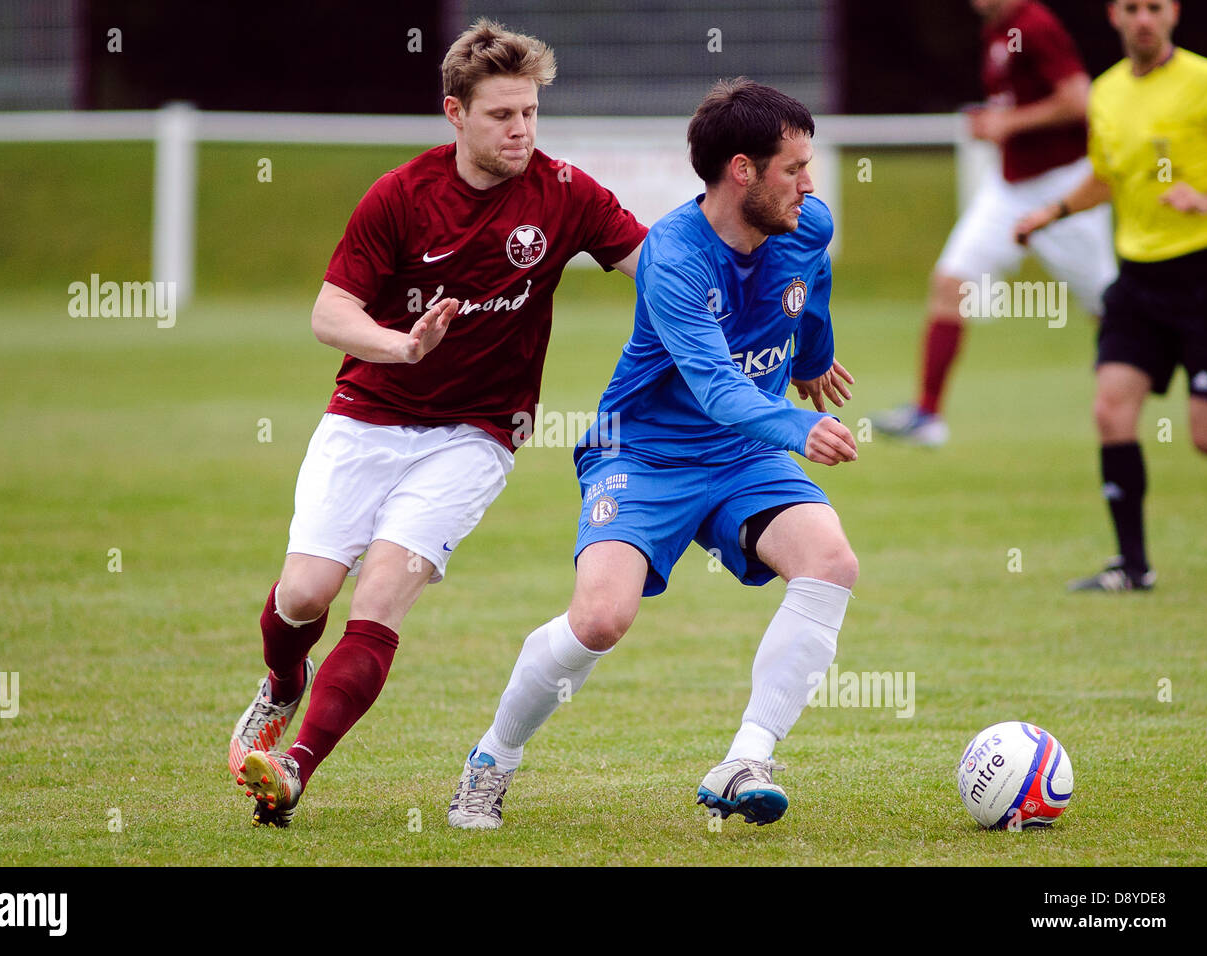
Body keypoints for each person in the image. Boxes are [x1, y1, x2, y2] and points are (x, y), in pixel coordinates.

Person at [228, 19, 647, 827]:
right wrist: (402, 345)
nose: (521, 130)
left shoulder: (565, 193)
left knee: (380, 595)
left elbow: (657, 265)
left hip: (476, 435)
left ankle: (293, 770)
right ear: (455, 113)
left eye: (529, 112)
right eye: (501, 115)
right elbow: (329, 312)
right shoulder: (402, 195)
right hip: (367, 413)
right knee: (304, 595)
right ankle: (283, 682)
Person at [447, 78, 859, 830]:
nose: (809, 185)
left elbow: (814, 287)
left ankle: (746, 759)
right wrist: (798, 429)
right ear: (743, 171)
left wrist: (810, 360)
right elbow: (714, 387)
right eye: (794, 169)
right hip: (643, 450)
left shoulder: (806, 223)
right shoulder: (673, 256)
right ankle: (491, 760)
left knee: (831, 564)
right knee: (601, 620)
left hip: (741, 450)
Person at [1014, 0, 1207, 591]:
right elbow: (1107, 175)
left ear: (1173, 13)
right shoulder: (1105, 92)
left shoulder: (1205, 81)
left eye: (1154, 7)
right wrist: (1049, 213)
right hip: (1138, 280)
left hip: (1205, 276)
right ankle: (1133, 567)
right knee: (1111, 410)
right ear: (1115, 17)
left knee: (1206, 436)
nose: (1144, 19)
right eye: (1133, 8)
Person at [872, 0, 1116, 446]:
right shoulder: (997, 29)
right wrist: (996, 120)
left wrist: (1009, 123)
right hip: (1010, 186)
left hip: (1063, 183)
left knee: (1109, 307)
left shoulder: (1035, 24)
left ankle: (1141, 401)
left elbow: (1078, 99)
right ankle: (927, 415)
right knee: (951, 282)